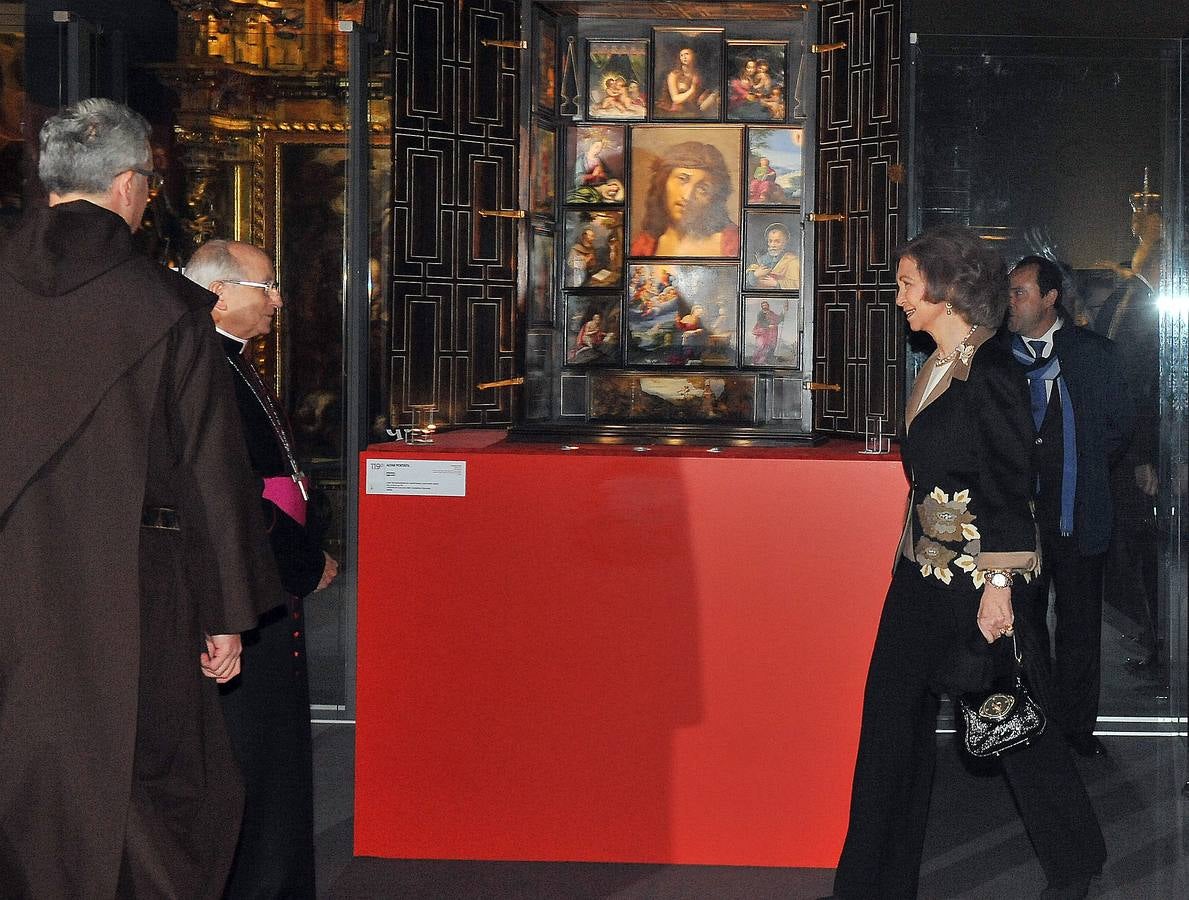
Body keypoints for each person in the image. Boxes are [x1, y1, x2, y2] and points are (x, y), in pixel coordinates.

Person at [0, 98, 278, 898]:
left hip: (11, 591)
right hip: (135, 591)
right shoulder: (167, 311)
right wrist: (224, 610)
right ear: (128, 183)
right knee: (149, 785)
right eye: (151, 183)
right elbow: (207, 472)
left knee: (25, 776)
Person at [832, 226, 1105, 900]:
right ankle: (868, 884)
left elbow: (1011, 484)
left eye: (905, 284)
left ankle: (1075, 861)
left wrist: (998, 587)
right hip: (919, 578)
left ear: (944, 290)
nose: (897, 298)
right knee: (889, 723)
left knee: (1011, 720)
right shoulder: (934, 363)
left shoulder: (993, 370)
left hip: (977, 582)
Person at [185, 239, 339, 897]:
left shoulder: (238, 361)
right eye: (266, 286)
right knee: (253, 752)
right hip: (243, 580)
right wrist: (303, 560)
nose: (278, 299)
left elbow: (283, 473)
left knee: (278, 750)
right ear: (219, 292)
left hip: (270, 572)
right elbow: (234, 496)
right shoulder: (202, 369)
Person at [1004, 255, 1134, 758]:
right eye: (1010, 292)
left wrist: (1082, 468)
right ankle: (1035, 723)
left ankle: (1077, 728)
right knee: (1026, 625)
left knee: (1080, 626)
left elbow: (1121, 424)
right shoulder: (997, 357)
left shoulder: (1094, 354)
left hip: (1080, 513)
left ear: (1050, 297)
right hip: (1021, 518)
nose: (1010, 301)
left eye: (1020, 292)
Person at [630, 141, 740, 258]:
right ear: (664, 181)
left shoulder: (733, 243)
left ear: (714, 197)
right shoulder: (644, 245)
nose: (687, 196)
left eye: (702, 188)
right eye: (682, 179)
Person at [745, 223, 800, 289]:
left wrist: (777, 283)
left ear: (785, 242)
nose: (773, 245)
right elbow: (745, 281)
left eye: (777, 241)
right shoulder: (760, 260)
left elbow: (798, 285)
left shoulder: (793, 261)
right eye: (770, 241)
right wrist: (755, 275)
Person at [751, 299, 787, 364]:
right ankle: (756, 361)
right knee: (761, 345)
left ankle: (765, 361)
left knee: (770, 345)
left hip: (771, 333)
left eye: (766, 305)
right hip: (763, 332)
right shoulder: (760, 313)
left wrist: (783, 311)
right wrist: (768, 326)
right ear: (762, 306)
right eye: (763, 305)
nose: (765, 306)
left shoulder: (771, 313)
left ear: (768, 306)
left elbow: (778, 319)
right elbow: (760, 322)